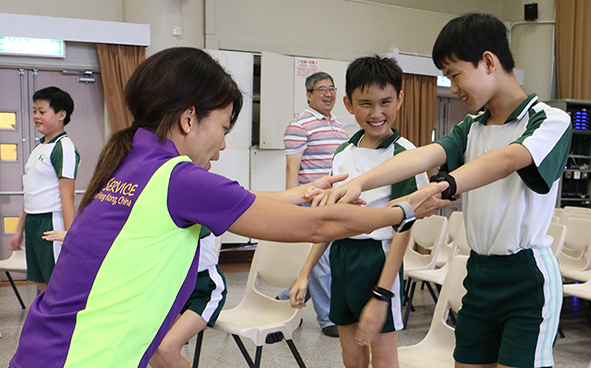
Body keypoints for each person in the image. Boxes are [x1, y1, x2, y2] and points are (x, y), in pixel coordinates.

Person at [9, 47, 449, 368]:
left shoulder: (131, 162)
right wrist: (403, 210)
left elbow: (241, 201)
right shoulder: (178, 178)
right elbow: (320, 224)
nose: (221, 143)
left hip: (45, 348)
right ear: (188, 119)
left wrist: (300, 192)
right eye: (222, 127)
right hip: (82, 357)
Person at [314, 13, 572, 368]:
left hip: (527, 276)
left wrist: (447, 183)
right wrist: (361, 181)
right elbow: (423, 155)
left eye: (454, 74)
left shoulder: (549, 119)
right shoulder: (472, 125)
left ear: (488, 62)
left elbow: (510, 158)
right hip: (479, 273)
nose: (453, 88)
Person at [290, 55, 428, 368]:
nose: (376, 113)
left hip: (379, 261)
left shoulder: (405, 154)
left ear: (400, 99)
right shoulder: (343, 153)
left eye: (385, 102)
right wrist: (304, 273)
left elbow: (403, 229)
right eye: (365, 103)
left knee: (382, 358)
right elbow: (328, 222)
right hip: (342, 257)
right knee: (351, 356)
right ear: (349, 104)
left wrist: (382, 293)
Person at [283, 71, 349, 337]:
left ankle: (283, 302)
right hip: (312, 203)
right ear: (309, 95)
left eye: (331, 88)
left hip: (336, 202)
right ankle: (327, 318)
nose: (328, 93)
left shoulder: (340, 126)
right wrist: (292, 206)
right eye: (322, 89)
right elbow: (292, 168)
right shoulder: (300, 125)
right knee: (321, 262)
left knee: (324, 259)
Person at [9, 86, 79, 293]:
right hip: (33, 221)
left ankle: (59, 324)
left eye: (42, 111)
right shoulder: (39, 147)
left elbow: (68, 197)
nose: (36, 116)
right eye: (34, 111)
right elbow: (30, 194)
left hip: (51, 222)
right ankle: (43, 322)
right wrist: (19, 231)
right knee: (40, 283)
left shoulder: (64, 148)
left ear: (61, 114)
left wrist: (70, 234)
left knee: (56, 284)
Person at [149, 227, 225, 368]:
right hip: (177, 288)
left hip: (205, 289)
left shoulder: (190, 210)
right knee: (148, 345)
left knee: (167, 349)